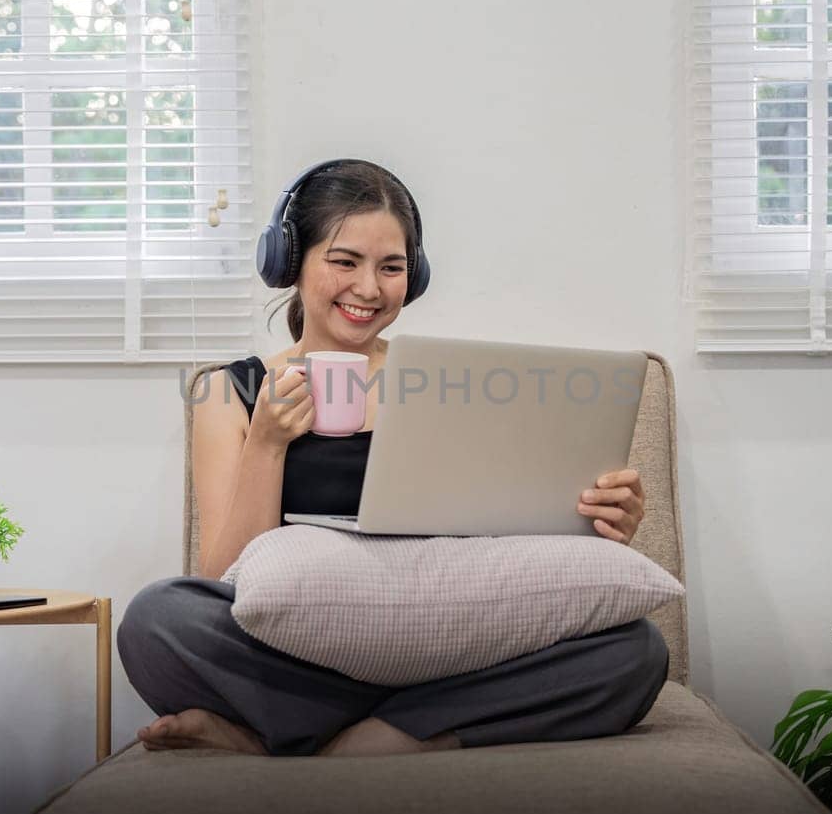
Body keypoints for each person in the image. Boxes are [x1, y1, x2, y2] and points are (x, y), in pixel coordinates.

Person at [117, 159, 667, 757]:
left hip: (449, 648)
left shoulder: (453, 381)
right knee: (157, 620)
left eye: (392, 267)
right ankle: (414, 729)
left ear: (416, 275)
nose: (370, 289)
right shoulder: (231, 391)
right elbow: (220, 579)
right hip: (305, 656)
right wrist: (267, 445)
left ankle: (323, 736)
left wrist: (602, 521)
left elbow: (508, 539)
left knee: (635, 652)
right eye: (344, 261)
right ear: (289, 262)